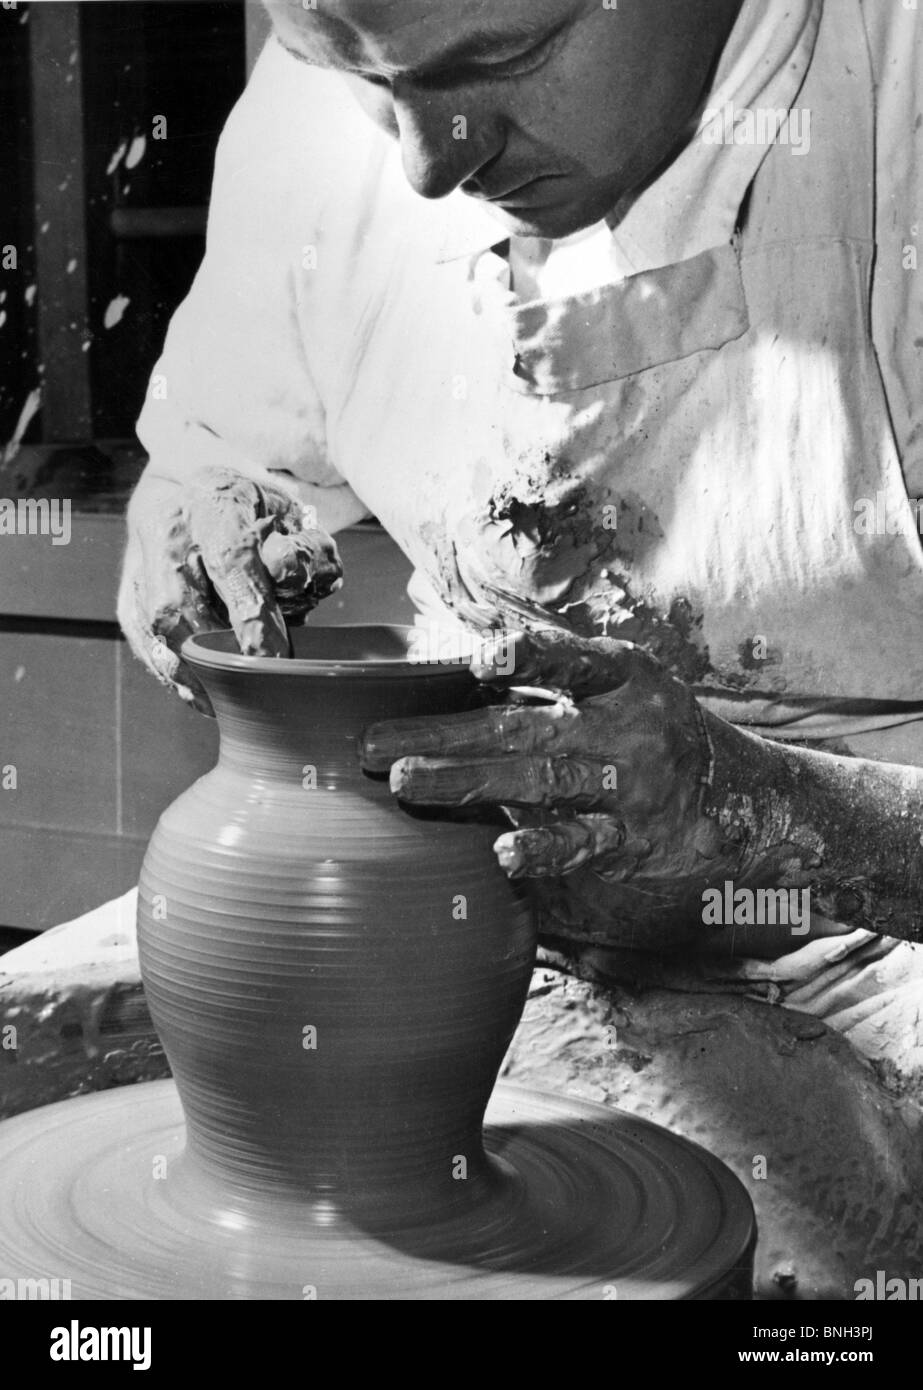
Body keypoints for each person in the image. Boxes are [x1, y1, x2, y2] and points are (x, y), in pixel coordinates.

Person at [110, 0, 923, 1281]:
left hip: (873, 927)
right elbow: (209, 461)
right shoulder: (333, 88)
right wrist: (191, 538)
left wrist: (776, 814)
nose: (428, 164)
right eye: (374, 82)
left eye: (498, 61)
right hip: (447, 898)